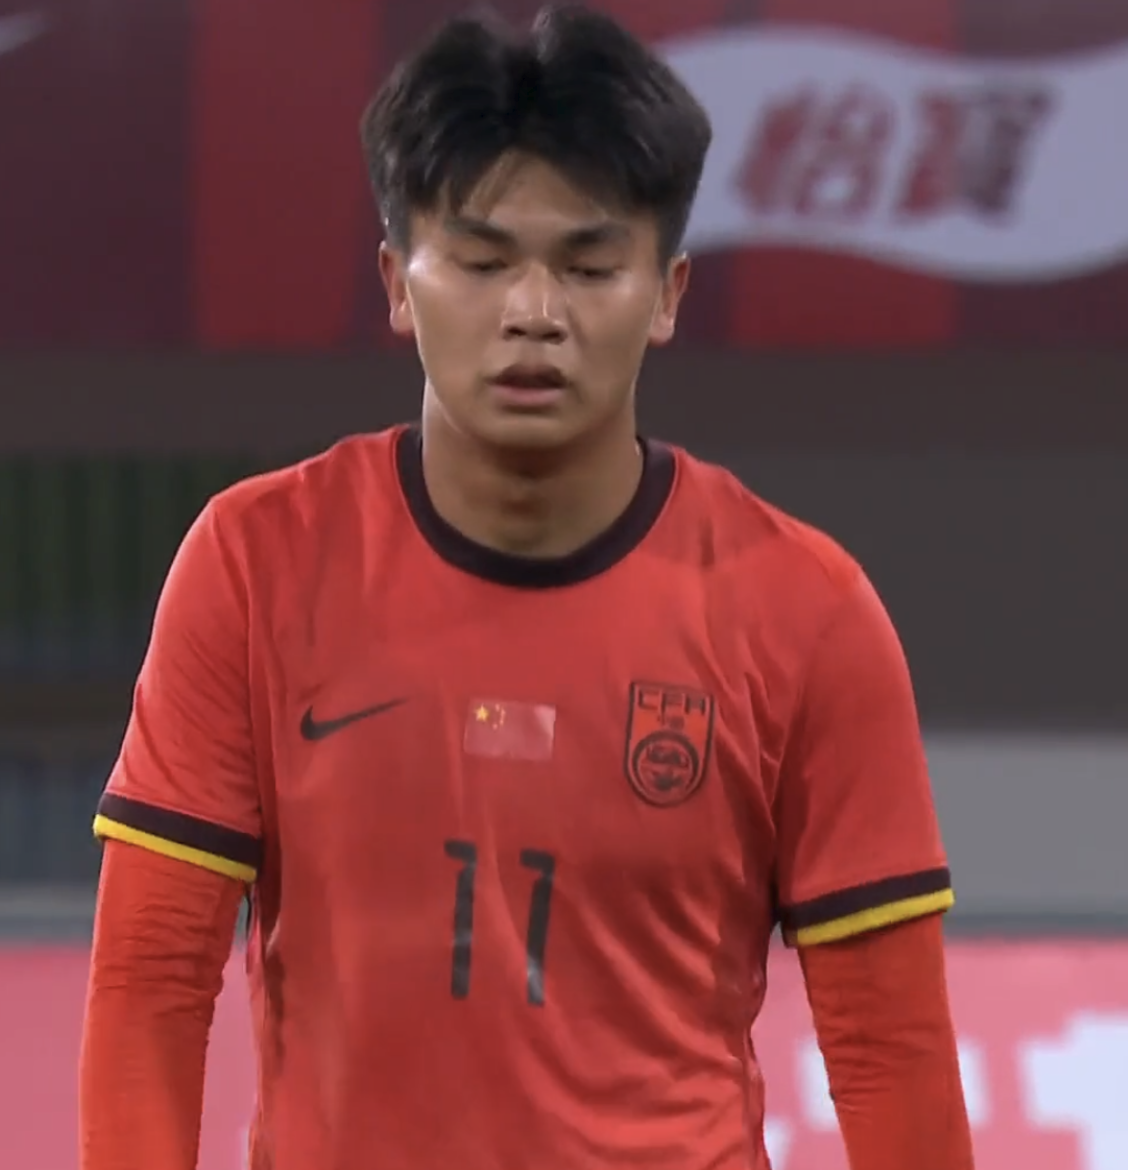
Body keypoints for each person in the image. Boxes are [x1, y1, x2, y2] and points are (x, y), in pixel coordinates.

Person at [78, 5, 975, 1169]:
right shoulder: (252, 563)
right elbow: (151, 980)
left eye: (590, 267)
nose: (533, 314)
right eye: (483, 261)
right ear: (399, 284)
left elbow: (888, 1049)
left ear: (668, 294)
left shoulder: (808, 613)